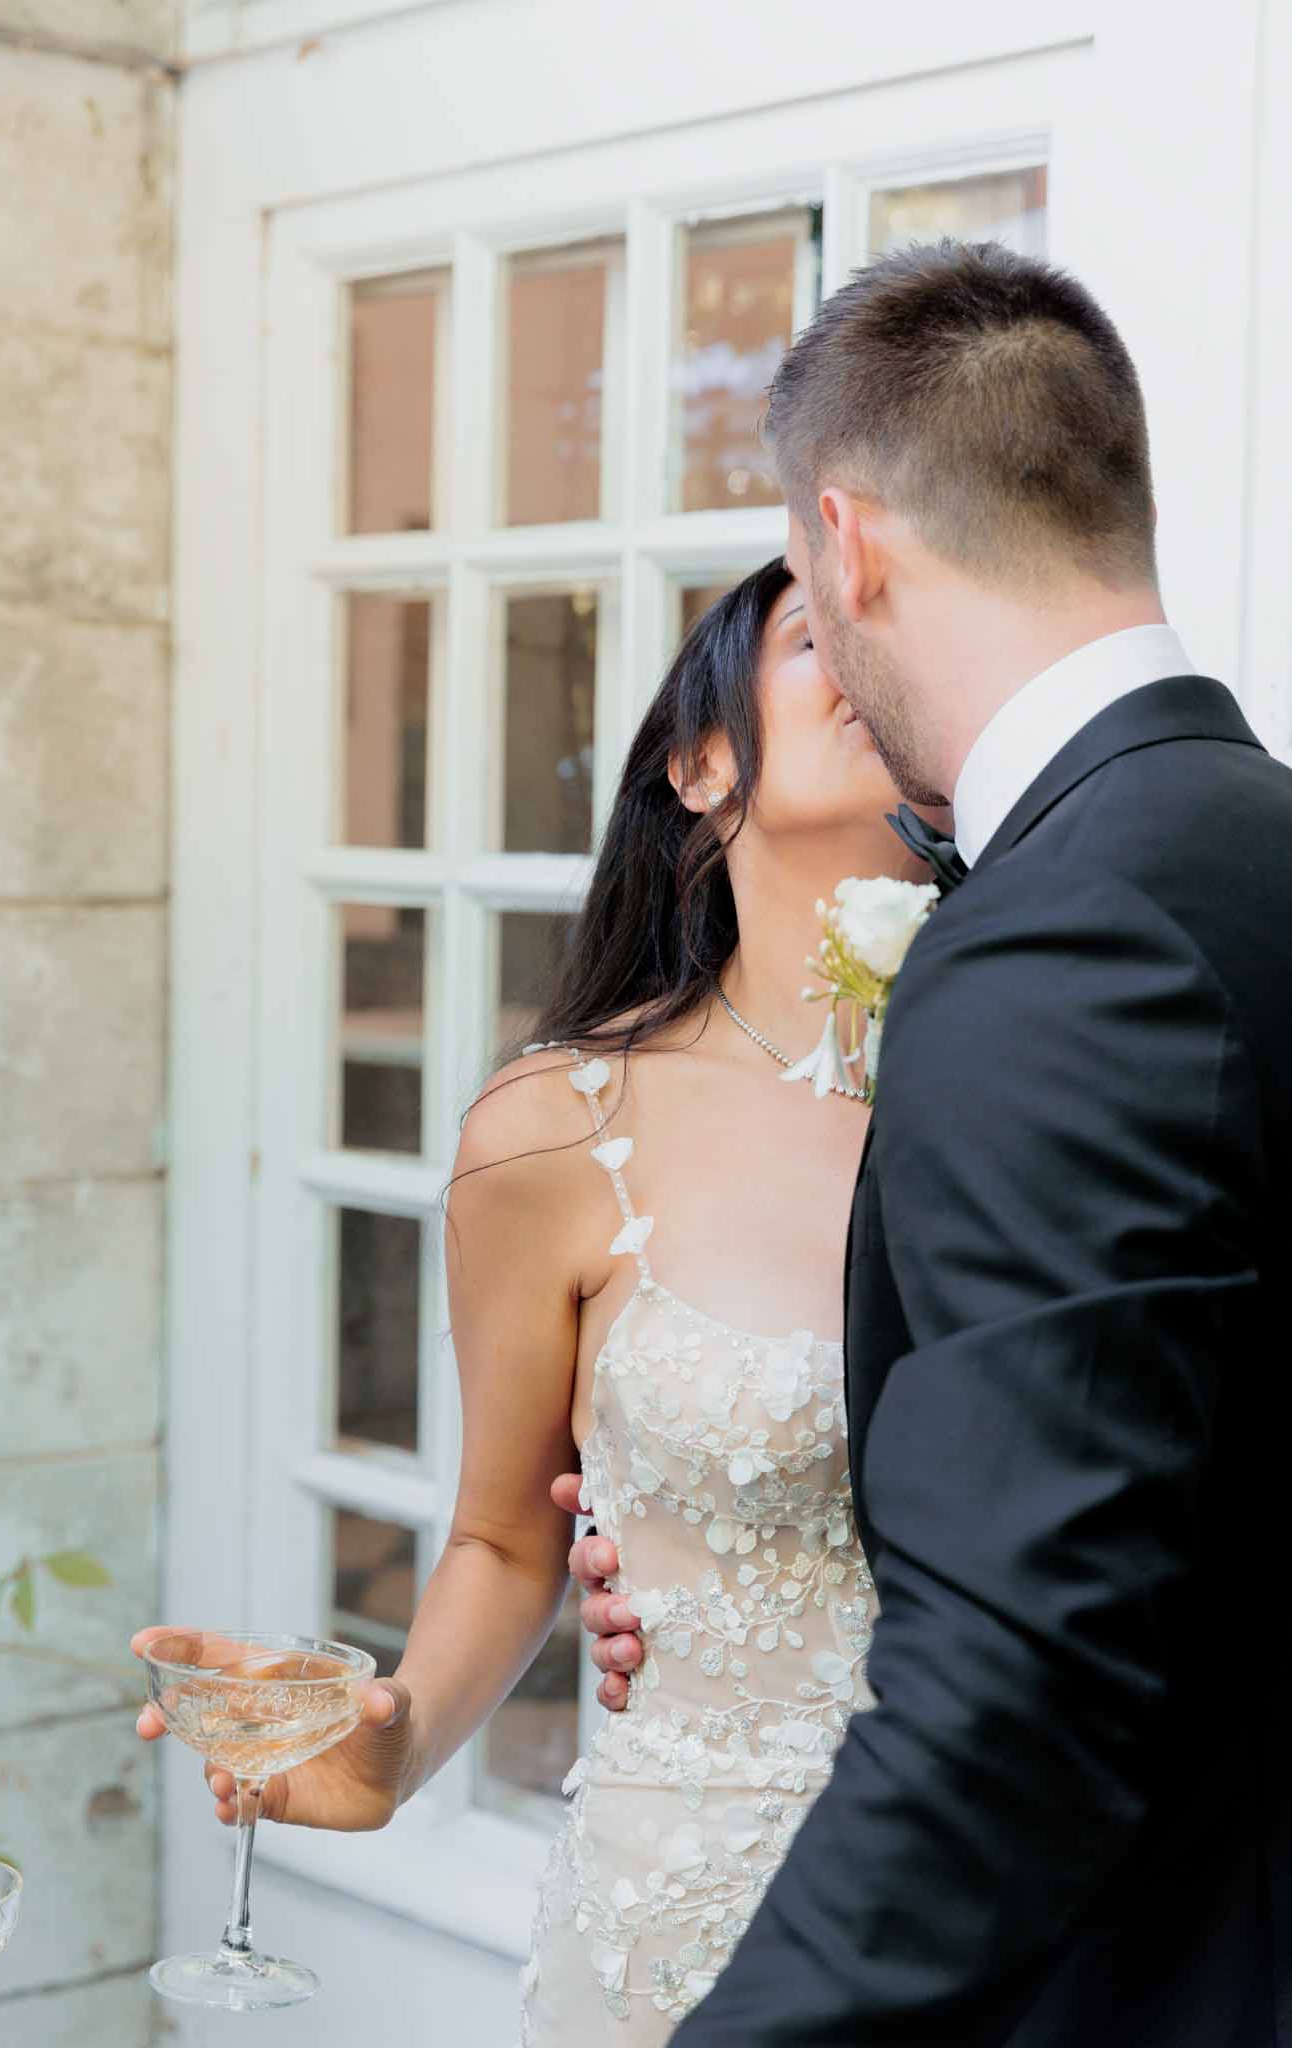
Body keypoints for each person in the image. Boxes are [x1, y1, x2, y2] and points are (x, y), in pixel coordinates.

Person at [566, 240, 1292, 2044]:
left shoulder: (1062, 936)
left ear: (854, 541)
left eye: (806, 589)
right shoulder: (1250, 849)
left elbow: (1021, 1693)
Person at [132, 555, 935, 2041]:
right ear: (699, 764)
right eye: (823, 634)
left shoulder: (1043, 1082)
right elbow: (508, 1534)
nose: (874, 661)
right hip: (693, 1912)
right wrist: (394, 1749)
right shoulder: (559, 1130)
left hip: (1018, 1903)